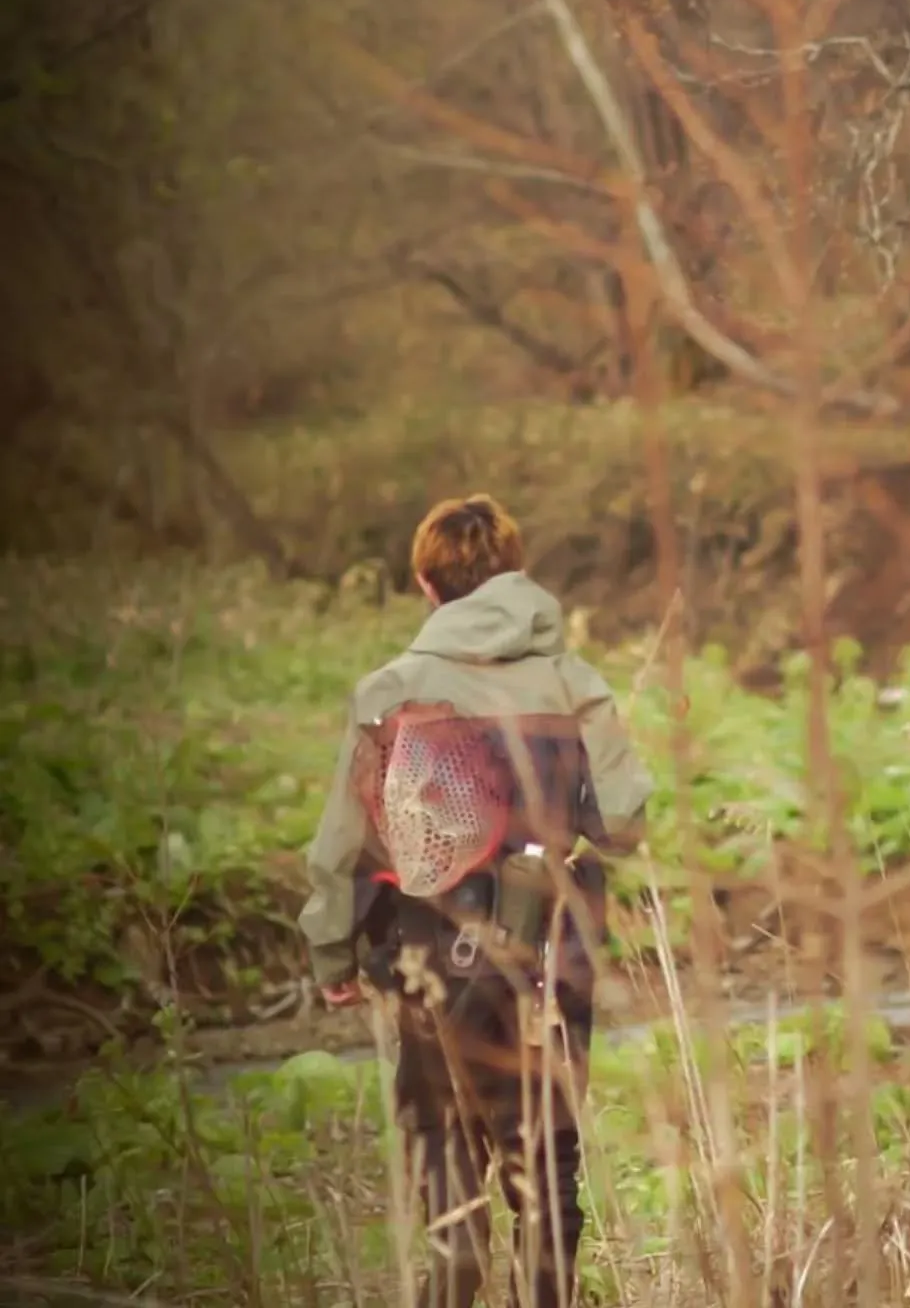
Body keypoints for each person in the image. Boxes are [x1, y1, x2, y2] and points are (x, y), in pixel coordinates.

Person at [299, 493, 653, 1308]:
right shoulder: (575, 682)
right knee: (548, 1160)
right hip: (547, 948)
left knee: (441, 1145)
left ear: (427, 586)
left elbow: (341, 845)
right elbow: (624, 824)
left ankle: (453, 1272)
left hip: (425, 946)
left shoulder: (390, 689)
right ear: (517, 575)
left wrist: (332, 953)